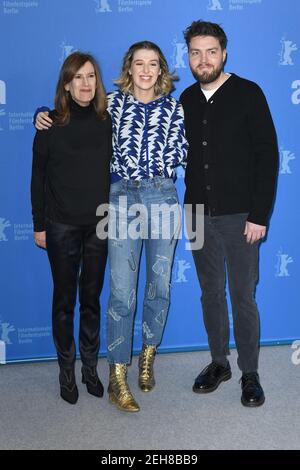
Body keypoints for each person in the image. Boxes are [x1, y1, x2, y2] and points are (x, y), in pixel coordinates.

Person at [35, 41, 188, 413]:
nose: (147, 70)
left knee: (160, 286)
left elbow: (182, 151)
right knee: (121, 291)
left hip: (164, 197)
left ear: (162, 69)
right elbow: (75, 108)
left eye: (154, 64)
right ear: (129, 68)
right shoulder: (113, 105)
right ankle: (117, 374)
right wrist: (44, 112)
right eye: (139, 63)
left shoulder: (175, 106)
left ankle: (147, 355)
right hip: (120, 199)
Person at [180, 21, 278, 407]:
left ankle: (250, 372)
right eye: (195, 52)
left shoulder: (249, 93)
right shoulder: (184, 99)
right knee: (209, 294)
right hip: (196, 215)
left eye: (210, 51)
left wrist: (259, 215)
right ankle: (219, 363)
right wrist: (45, 113)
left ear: (224, 53)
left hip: (242, 217)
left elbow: (267, 157)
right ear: (188, 56)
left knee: (242, 295)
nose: (203, 59)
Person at [31, 52, 112, 404]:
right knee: (64, 302)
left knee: (91, 301)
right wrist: (39, 225)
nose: (85, 83)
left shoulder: (108, 119)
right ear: (66, 84)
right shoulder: (49, 123)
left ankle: (90, 369)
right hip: (60, 226)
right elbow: (38, 178)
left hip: (99, 225)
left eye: (91, 76)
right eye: (77, 77)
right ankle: (66, 373)